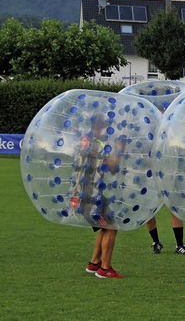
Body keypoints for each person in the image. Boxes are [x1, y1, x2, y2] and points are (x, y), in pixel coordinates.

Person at [71, 116, 124, 279]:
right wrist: (119, 148)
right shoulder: (95, 146)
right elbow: (112, 164)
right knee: (111, 227)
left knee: (105, 226)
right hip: (94, 198)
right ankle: (105, 268)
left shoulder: (86, 142)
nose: (107, 131)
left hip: (88, 197)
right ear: (97, 128)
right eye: (105, 127)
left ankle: (94, 263)